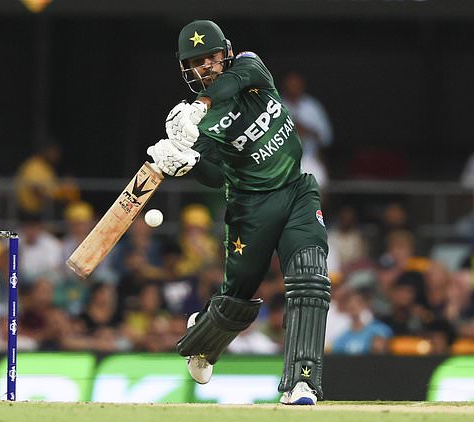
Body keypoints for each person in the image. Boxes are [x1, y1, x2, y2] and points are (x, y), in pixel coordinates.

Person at [147, 20, 331, 405]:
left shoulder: (249, 68)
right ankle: (203, 339)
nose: (210, 67)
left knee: (311, 278)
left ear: (226, 52)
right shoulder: (191, 124)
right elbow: (216, 176)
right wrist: (188, 160)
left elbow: (236, 78)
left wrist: (201, 105)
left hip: (296, 190)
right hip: (250, 208)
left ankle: (302, 383)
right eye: (198, 62)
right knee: (238, 299)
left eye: (213, 57)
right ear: (187, 70)